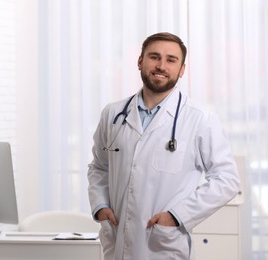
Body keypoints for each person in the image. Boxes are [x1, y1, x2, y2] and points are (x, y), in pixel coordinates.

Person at [87, 32, 240, 260]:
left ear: (182, 69)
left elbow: (227, 180)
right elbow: (99, 168)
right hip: (117, 242)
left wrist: (177, 215)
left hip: (163, 245)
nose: (161, 65)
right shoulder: (113, 115)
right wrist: (100, 206)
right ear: (140, 61)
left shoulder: (200, 120)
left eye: (171, 60)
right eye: (154, 57)